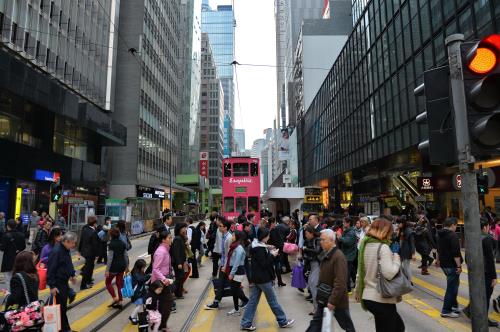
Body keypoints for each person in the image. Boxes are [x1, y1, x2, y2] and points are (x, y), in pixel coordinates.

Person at [355, 217, 404, 332]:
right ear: (385, 231)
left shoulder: (364, 245)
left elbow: (360, 271)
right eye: (390, 232)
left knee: (391, 327)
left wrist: (358, 290)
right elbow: (389, 273)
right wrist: (396, 258)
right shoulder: (383, 248)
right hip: (381, 298)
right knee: (397, 328)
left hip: (368, 297)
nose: (391, 235)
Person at [240, 228, 295, 330]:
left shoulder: (256, 245)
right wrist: (272, 255)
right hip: (264, 279)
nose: (269, 237)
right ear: (264, 237)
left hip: (257, 278)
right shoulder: (260, 249)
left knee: (253, 302)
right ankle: (282, 321)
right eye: (268, 236)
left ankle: (246, 323)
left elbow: (261, 258)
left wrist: (268, 249)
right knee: (273, 301)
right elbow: (264, 264)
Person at [306, 229, 355, 332]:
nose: (321, 242)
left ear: (332, 240)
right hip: (324, 296)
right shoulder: (327, 253)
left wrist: (333, 301)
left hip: (336, 300)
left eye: (323, 240)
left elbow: (340, 282)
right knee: (316, 323)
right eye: (320, 239)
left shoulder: (338, 257)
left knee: (347, 326)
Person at [463, 219, 498, 327]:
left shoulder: (471, 237)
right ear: (484, 227)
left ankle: (469, 310)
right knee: (485, 296)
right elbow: (490, 259)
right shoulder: (487, 239)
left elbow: (467, 256)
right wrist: (494, 276)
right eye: (488, 227)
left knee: (478, 293)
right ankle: (483, 319)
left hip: (475, 271)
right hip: (486, 272)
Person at [47, 232, 78, 332]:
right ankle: (65, 329)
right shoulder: (57, 251)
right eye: (73, 243)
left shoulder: (65, 249)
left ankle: (65, 328)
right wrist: (52, 286)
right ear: (66, 241)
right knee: (61, 307)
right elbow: (51, 269)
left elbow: (68, 263)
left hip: (64, 282)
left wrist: (72, 274)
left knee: (62, 307)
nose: (74, 245)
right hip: (58, 283)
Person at [436, 217, 463, 318]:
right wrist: (459, 266)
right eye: (456, 225)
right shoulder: (453, 236)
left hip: (444, 264)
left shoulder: (439, 234)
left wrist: (437, 260)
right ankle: (446, 310)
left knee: (454, 284)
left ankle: (454, 306)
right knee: (452, 287)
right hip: (452, 264)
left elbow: (438, 249)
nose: (456, 227)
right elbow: (456, 253)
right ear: (452, 225)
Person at [205, 219, 233, 310]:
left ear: (225, 228)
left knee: (232, 284)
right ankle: (216, 302)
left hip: (226, 265)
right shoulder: (223, 236)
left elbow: (229, 253)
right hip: (223, 263)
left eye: (221, 226)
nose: (219, 227)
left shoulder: (228, 238)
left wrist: (225, 266)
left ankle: (244, 300)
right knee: (222, 283)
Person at [151, 231, 174, 332]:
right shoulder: (161, 251)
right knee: (167, 302)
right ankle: (160, 325)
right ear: (163, 240)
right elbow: (155, 269)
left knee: (163, 304)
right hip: (160, 282)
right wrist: (164, 279)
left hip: (164, 280)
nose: (171, 239)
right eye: (169, 238)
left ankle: (160, 324)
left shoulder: (165, 249)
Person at [225, 230, 249, 316]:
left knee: (235, 290)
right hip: (233, 269)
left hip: (238, 271)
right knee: (234, 290)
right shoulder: (234, 246)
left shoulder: (239, 248)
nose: (232, 237)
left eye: (234, 235)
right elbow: (230, 259)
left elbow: (237, 262)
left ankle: (246, 301)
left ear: (237, 237)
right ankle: (236, 308)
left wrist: (231, 273)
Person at [105, 228, 129, 309]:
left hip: (113, 268)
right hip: (122, 266)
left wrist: (107, 270)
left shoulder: (111, 244)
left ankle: (115, 298)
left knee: (108, 282)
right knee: (119, 284)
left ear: (111, 235)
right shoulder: (123, 243)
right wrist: (127, 266)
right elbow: (126, 256)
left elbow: (110, 258)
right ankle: (121, 301)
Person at [1, 219, 27, 285]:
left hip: (8, 260)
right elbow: (24, 246)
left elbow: (2, 248)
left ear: (8, 226)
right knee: (18, 278)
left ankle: (10, 294)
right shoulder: (21, 235)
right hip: (19, 259)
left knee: (8, 279)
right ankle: (17, 293)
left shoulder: (5, 236)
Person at [303, 225, 322, 314]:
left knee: (313, 285)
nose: (306, 235)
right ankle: (316, 308)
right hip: (312, 265)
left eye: (307, 233)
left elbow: (317, 251)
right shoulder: (309, 240)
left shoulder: (317, 240)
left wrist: (306, 249)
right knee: (311, 285)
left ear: (311, 233)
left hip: (317, 265)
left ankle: (317, 309)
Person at [79, 216, 100, 290]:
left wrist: (79, 250)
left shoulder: (85, 229)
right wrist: (97, 254)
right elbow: (95, 245)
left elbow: (81, 240)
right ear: (94, 224)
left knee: (89, 267)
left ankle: (88, 281)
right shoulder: (93, 232)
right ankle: (83, 285)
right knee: (88, 268)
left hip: (85, 251)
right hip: (91, 253)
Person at [339, 217, 358, 293]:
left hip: (349, 255)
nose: (343, 224)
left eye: (344, 222)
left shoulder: (351, 232)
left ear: (348, 223)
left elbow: (348, 242)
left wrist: (340, 237)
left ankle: (348, 289)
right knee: (351, 271)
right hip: (347, 254)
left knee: (347, 273)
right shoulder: (348, 231)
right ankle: (352, 285)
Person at [129, 259, 149, 325]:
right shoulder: (135, 273)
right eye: (143, 267)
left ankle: (146, 315)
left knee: (143, 303)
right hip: (137, 292)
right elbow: (141, 279)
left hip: (141, 291)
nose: (144, 268)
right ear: (139, 267)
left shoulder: (139, 271)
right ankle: (132, 317)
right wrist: (148, 276)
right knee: (139, 305)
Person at [171, 223, 188, 299]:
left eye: (185, 228)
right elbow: (176, 252)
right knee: (179, 278)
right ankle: (172, 291)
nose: (185, 229)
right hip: (178, 262)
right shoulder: (177, 239)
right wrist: (178, 263)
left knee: (181, 277)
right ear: (179, 229)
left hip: (181, 261)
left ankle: (178, 293)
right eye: (183, 228)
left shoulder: (181, 237)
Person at [268, 218, 286, 286]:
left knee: (276, 266)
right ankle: (275, 281)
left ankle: (278, 281)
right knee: (274, 266)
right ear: (272, 223)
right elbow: (278, 241)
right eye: (275, 222)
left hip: (274, 250)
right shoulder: (272, 230)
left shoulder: (271, 230)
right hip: (274, 250)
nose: (276, 224)